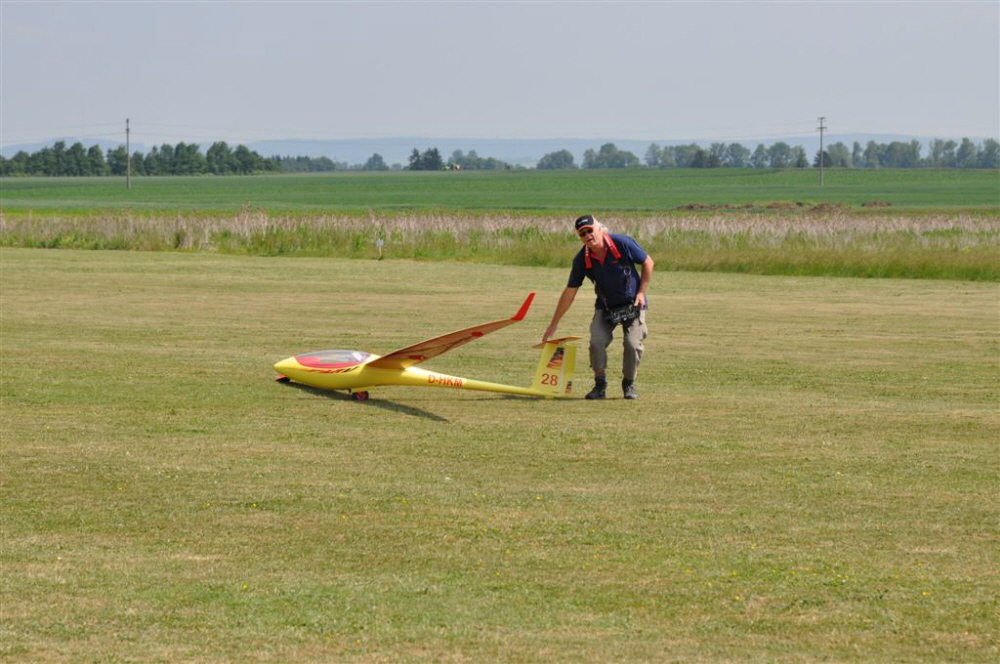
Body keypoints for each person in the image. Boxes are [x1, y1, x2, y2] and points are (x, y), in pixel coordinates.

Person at [542, 214, 654, 400]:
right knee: (596, 341)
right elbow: (570, 291)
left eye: (590, 230)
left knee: (632, 344)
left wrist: (641, 292)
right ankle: (600, 384)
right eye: (582, 233)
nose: (587, 236)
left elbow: (648, 262)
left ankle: (629, 384)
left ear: (600, 229)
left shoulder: (622, 243)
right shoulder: (581, 259)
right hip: (606, 307)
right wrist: (554, 323)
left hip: (633, 303)